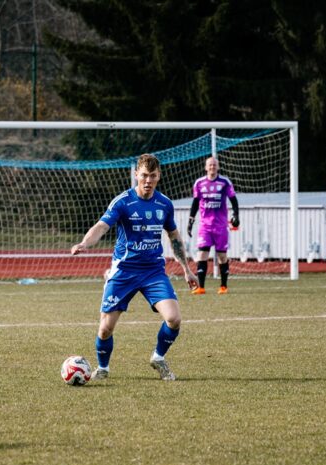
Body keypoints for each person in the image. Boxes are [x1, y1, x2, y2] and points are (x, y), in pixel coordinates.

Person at [71, 153, 198, 381]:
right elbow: (102, 226)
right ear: (136, 175)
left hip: (153, 272)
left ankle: (158, 357)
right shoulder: (123, 202)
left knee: (174, 319)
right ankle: (103, 368)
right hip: (124, 271)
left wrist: (187, 270)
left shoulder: (164, 204)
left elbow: (174, 237)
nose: (148, 180)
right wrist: (84, 243)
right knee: (105, 328)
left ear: (159, 176)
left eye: (153, 176)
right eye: (144, 175)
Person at [186, 156, 239, 295]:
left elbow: (233, 200)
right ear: (205, 167)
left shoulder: (225, 182)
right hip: (205, 226)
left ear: (218, 167)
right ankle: (201, 287)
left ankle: (223, 286)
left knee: (222, 256)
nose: (212, 167)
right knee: (202, 254)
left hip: (221, 226)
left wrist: (236, 215)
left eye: (214, 165)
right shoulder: (199, 183)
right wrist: (190, 221)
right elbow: (195, 203)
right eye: (210, 165)